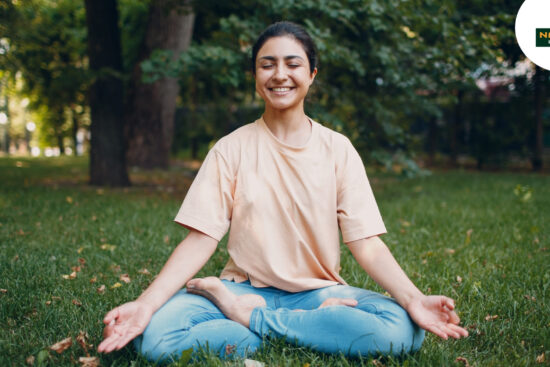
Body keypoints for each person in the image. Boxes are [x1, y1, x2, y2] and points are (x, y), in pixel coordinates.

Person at [98, 21, 468, 363]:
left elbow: (366, 243)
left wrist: (414, 299)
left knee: (401, 330)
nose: (279, 75)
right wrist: (145, 305)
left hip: (317, 293)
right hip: (240, 288)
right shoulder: (231, 148)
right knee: (157, 340)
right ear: (255, 75)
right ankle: (296, 325)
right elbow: (200, 239)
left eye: (292, 64)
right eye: (267, 64)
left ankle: (255, 320)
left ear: (311, 74)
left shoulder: (338, 149)